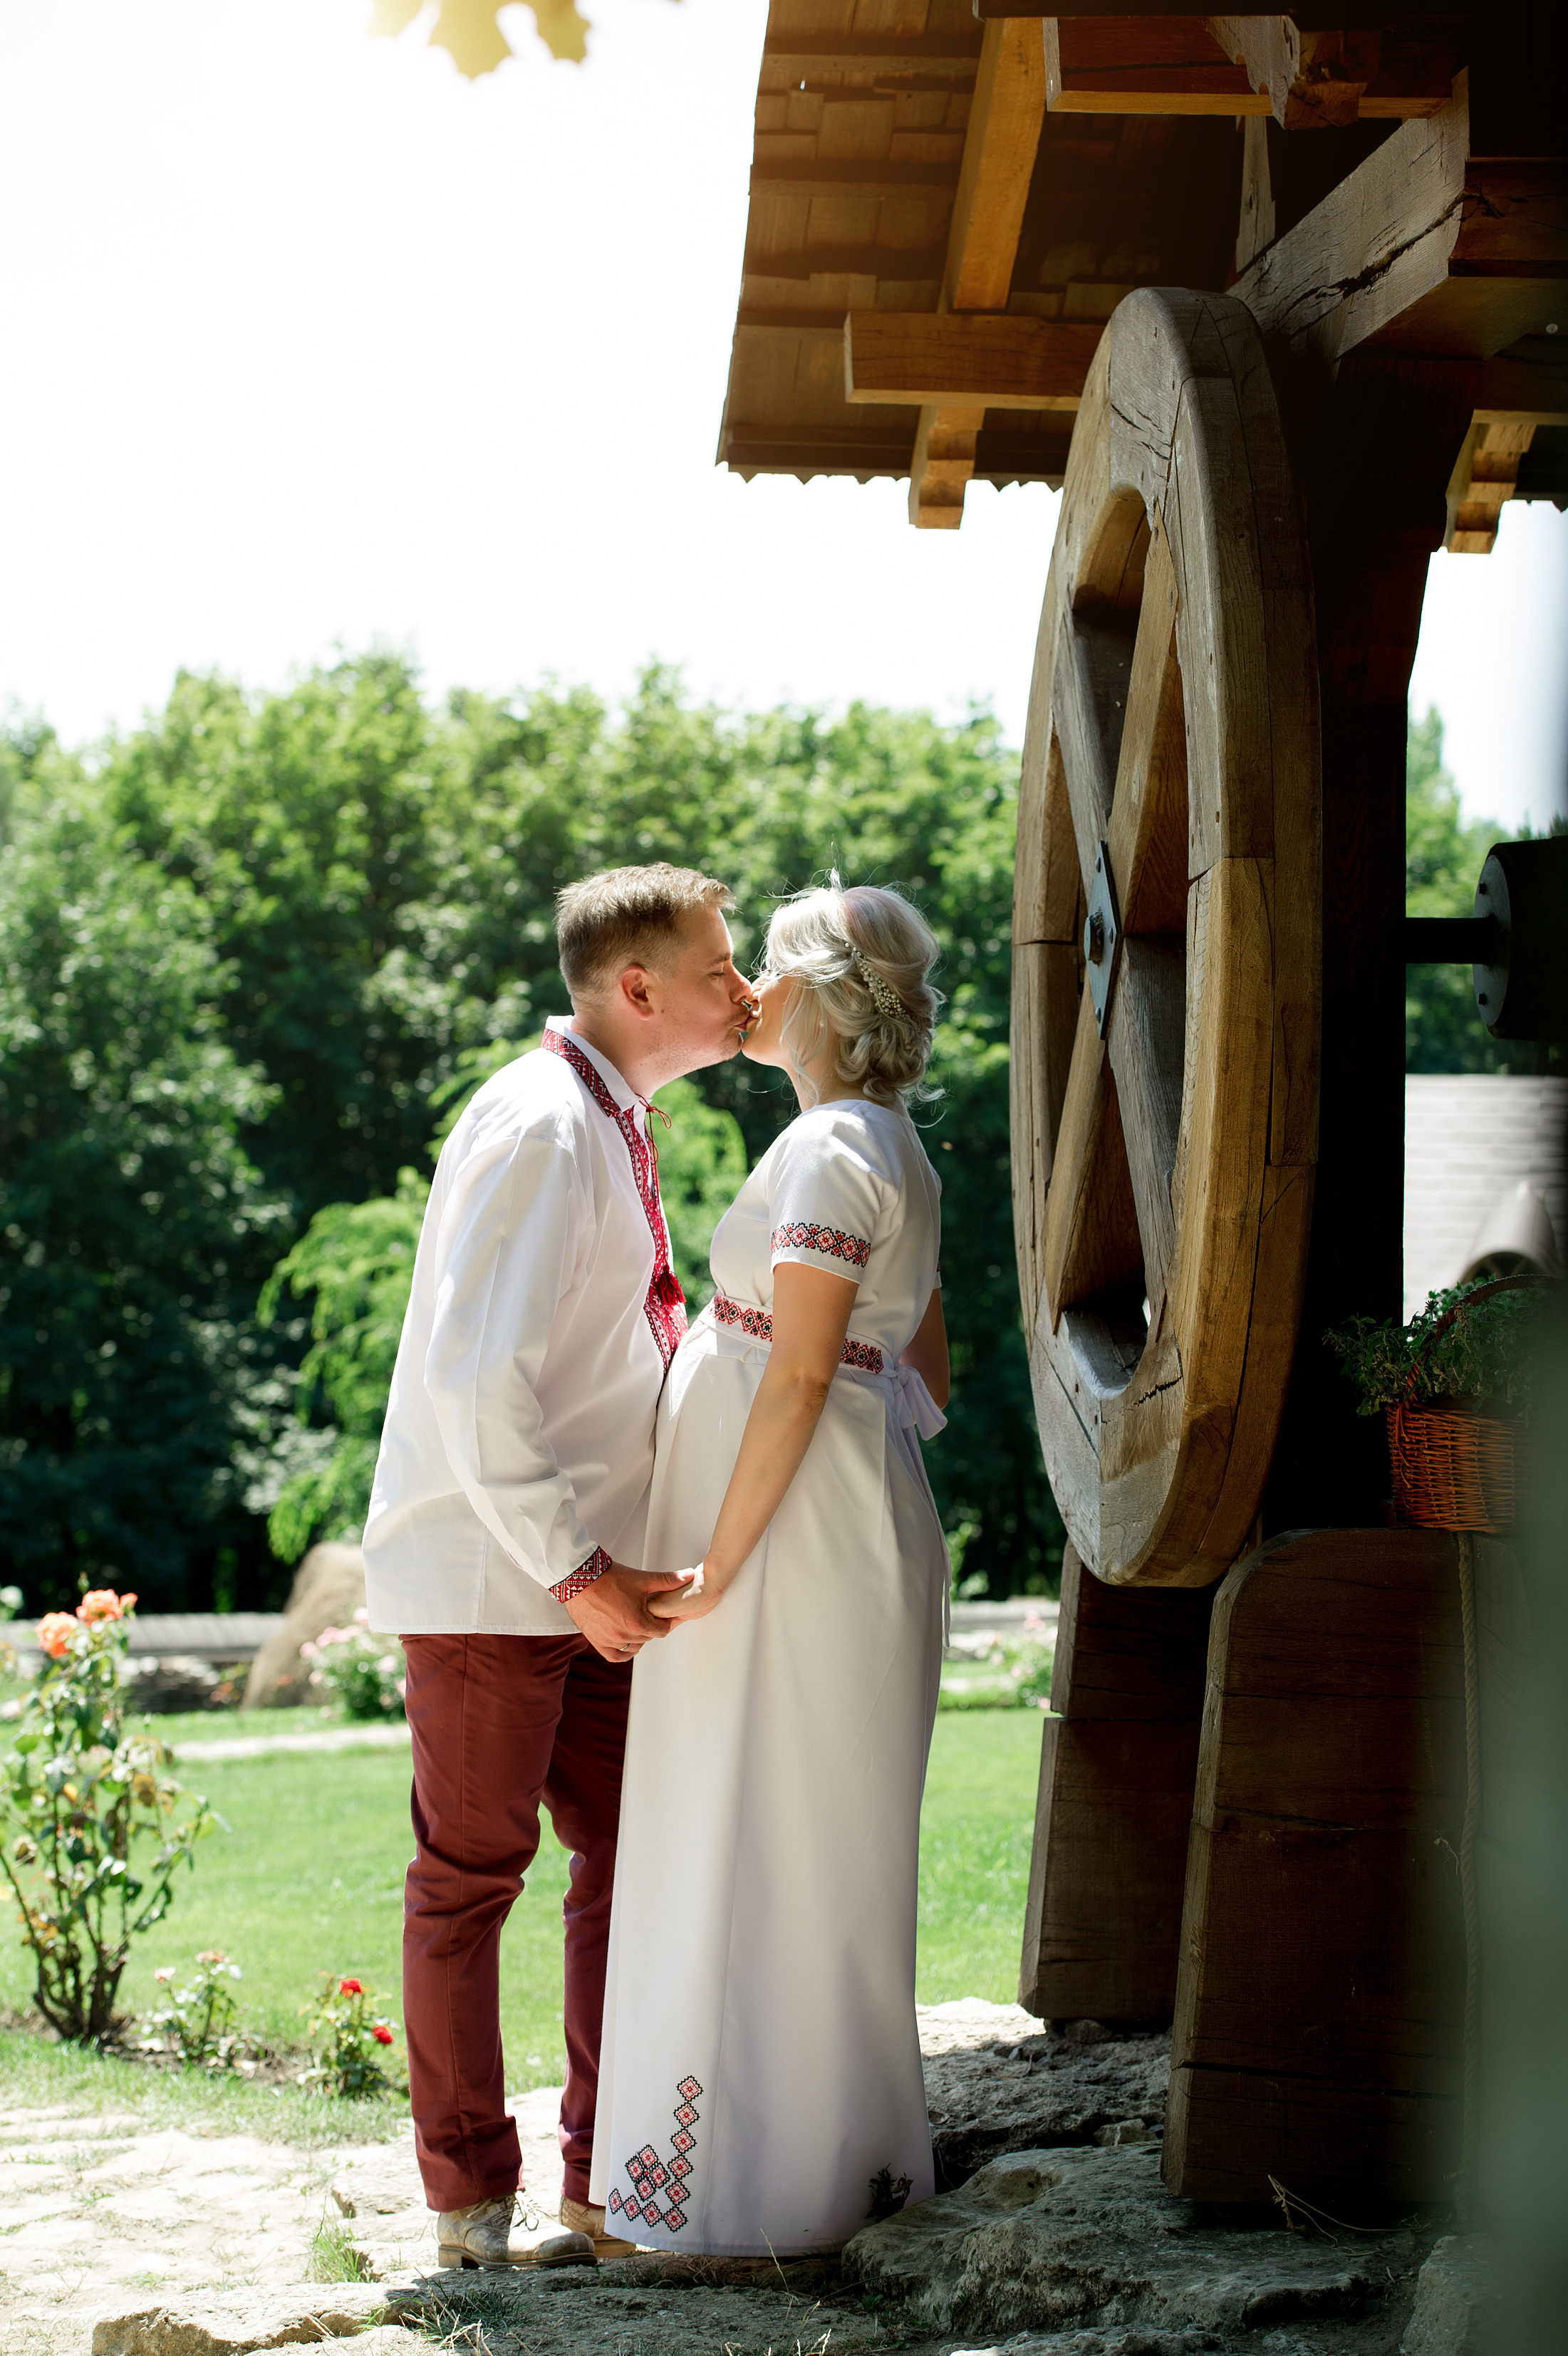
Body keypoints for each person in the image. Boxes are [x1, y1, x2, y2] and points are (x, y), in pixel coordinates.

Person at [362, 863, 754, 2271]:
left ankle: (605, 2178)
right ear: (638, 988)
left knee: (643, 1848)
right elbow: (474, 1381)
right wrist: (576, 1566)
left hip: (590, 1578)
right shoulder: (540, 1124)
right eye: (721, 966)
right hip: (493, 1578)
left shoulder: (608, 1116)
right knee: (471, 1874)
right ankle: (472, 2202)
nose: (745, 988)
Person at [591, 880, 952, 2257]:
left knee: (757, 1834)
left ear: (811, 994)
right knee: (804, 1842)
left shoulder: (826, 1152)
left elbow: (802, 1375)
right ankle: (810, 2174)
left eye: (761, 971)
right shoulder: (888, 1144)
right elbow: (920, 1365)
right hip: (842, 1518)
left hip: (783, 1545)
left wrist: (714, 1562)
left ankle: (739, 2194)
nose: (740, 992)